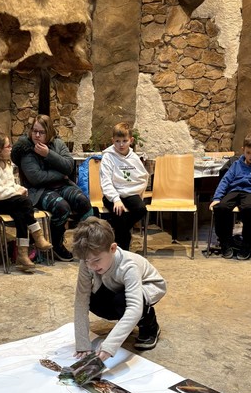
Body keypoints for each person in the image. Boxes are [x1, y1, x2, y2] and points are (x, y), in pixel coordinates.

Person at [72, 217, 166, 359]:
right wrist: (82, 343)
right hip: (116, 287)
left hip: (148, 286)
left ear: (113, 248)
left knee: (123, 302)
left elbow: (134, 307)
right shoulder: (88, 260)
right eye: (86, 261)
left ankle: (150, 326)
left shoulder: (129, 266)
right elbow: (81, 300)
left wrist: (110, 346)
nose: (91, 266)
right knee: (93, 300)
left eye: (96, 260)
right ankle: (124, 322)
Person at [11, 114, 93, 261]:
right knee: (62, 207)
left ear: (49, 132)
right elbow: (36, 178)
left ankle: (87, 244)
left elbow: (69, 166)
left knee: (83, 201)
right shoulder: (25, 148)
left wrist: (49, 154)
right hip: (39, 191)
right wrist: (61, 174)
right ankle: (56, 243)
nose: (37, 135)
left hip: (62, 186)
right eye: (34, 131)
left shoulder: (58, 144)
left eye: (41, 132)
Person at [0, 132, 52, 270]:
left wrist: (20, 189)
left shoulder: (7, 165)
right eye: (8, 146)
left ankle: (22, 254)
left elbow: (10, 185)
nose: (11, 148)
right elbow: (0, 193)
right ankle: (38, 235)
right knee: (25, 202)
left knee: (20, 214)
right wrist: (17, 193)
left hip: (7, 200)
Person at [210, 132, 251, 260]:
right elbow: (225, 181)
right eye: (248, 152)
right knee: (221, 207)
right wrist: (217, 198)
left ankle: (247, 243)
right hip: (235, 190)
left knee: (249, 208)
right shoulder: (236, 164)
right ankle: (225, 241)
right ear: (243, 150)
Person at [100, 122, 149, 250]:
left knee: (141, 209)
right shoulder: (108, 157)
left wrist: (138, 192)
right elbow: (106, 182)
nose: (121, 145)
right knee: (119, 214)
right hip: (112, 194)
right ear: (112, 141)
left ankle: (118, 232)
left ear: (131, 141)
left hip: (130, 193)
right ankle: (122, 249)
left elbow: (142, 177)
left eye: (124, 141)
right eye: (117, 141)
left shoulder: (134, 158)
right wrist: (116, 199)